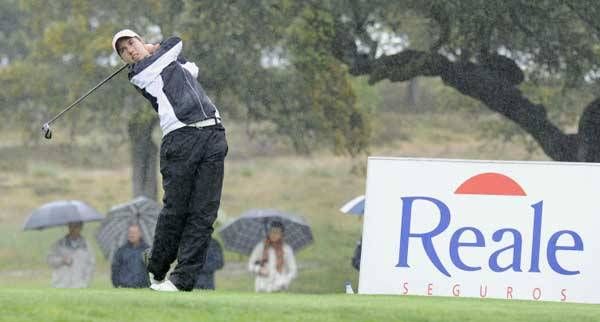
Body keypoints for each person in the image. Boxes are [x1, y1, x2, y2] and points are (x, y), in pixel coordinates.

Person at [111, 29, 228, 292]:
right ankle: (156, 266)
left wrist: (157, 51)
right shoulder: (140, 73)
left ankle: (182, 280)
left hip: (213, 133)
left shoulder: (167, 62)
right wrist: (152, 48)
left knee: (204, 213)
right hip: (180, 138)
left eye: (132, 43)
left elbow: (191, 68)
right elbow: (175, 42)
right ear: (125, 61)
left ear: (139, 39)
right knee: (176, 210)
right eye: (124, 51)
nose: (130, 50)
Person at [248, 221, 297, 292]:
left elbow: (293, 271)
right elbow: (250, 265)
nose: (274, 234)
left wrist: (285, 280)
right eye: (272, 231)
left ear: (282, 234)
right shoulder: (260, 247)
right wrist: (259, 269)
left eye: (277, 232)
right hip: (262, 287)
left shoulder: (287, 249)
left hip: (279, 287)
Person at [47, 221, 95, 288]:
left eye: (76, 227)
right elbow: (50, 260)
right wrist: (62, 260)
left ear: (81, 228)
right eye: (71, 226)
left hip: (80, 285)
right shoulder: (59, 244)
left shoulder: (86, 246)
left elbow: (91, 265)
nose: (73, 229)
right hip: (61, 284)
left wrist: (85, 281)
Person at [111, 224, 150, 288]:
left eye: (134, 233)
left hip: (143, 287)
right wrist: (116, 283)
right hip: (125, 287)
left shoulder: (147, 250)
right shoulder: (121, 250)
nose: (132, 235)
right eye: (130, 232)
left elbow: (153, 269)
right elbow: (115, 268)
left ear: (140, 234)